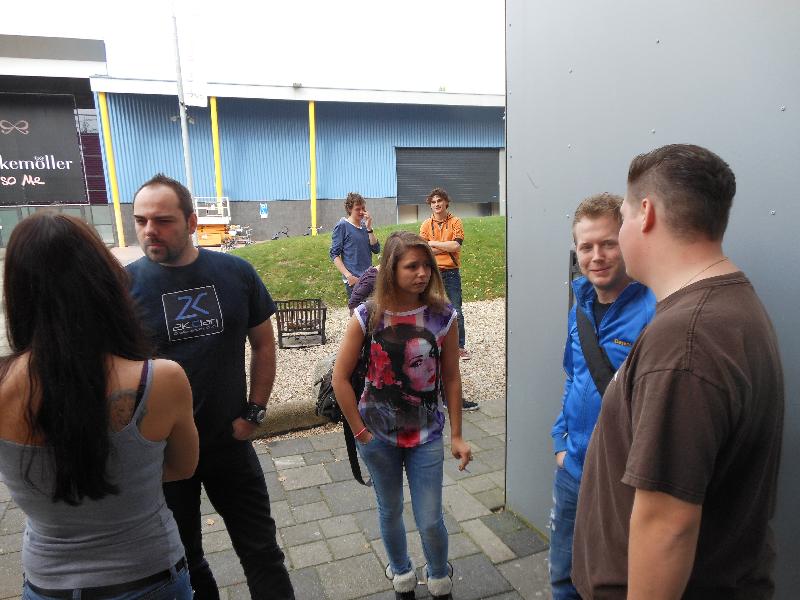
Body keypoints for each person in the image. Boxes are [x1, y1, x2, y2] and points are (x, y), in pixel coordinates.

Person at [573, 144, 785, 599]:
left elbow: (667, 526)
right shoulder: (729, 306)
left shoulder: (685, 339)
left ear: (646, 213)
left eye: (623, 217)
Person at [0, 212, 198, 600]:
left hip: (47, 584)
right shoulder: (162, 379)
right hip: (149, 575)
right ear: (105, 281)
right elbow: (182, 467)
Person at [127, 174, 294, 600]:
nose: (150, 230)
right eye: (141, 220)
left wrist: (255, 411)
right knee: (184, 561)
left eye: (163, 220)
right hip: (163, 458)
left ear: (191, 222)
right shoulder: (123, 288)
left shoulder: (235, 273)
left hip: (229, 443)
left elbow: (263, 343)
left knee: (262, 553)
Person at [332, 231, 472, 600]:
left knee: (430, 519)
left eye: (426, 265)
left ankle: (439, 576)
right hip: (377, 437)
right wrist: (361, 433)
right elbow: (339, 378)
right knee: (390, 510)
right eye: (412, 266)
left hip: (426, 436)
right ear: (392, 269)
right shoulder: (368, 316)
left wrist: (457, 435)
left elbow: (451, 378)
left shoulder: (443, 316)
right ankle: (402, 574)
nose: (422, 273)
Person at [549, 193, 655, 599]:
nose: (597, 256)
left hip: (621, 481)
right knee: (563, 578)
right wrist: (560, 441)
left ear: (626, 241)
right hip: (573, 470)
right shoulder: (580, 306)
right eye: (586, 246)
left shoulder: (654, 310)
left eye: (608, 244)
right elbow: (574, 375)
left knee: (613, 584)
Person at [420, 188, 470, 360]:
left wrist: (433, 243)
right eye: (433, 202)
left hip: (451, 272)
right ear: (430, 205)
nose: (436, 204)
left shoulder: (456, 222)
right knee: (430, 309)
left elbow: (456, 246)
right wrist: (445, 246)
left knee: (456, 310)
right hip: (432, 272)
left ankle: (460, 347)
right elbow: (424, 250)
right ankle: (433, 345)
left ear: (446, 202)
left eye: (439, 201)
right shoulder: (426, 225)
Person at [330, 191, 380, 299]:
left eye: (363, 208)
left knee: (373, 308)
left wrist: (369, 228)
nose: (361, 212)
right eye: (357, 209)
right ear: (349, 209)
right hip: (354, 281)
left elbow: (376, 249)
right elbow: (334, 254)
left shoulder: (365, 226)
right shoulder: (342, 226)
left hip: (368, 278)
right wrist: (349, 276)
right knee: (358, 309)